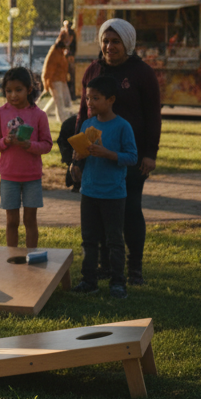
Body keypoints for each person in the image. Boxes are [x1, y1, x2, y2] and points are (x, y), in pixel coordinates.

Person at [74, 18, 161, 286]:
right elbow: (82, 112)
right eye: (105, 41)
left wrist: (150, 153)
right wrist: (76, 157)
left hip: (130, 158)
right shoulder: (92, 70)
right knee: (98, 214)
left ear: (128, 43)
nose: (109, 46)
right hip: (95, 157)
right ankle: (104, 266)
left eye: (115, 41)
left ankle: (134, 268)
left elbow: (153, 115)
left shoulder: (142, 73)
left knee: (130, 211)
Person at [70, 75, 138, 300]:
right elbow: (81, 154)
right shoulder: (88, 124)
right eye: (88, 98)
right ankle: (89, 280)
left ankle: (118, 282)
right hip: (89, 191)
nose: (89, 103)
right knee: (89, 238)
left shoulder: (122, 126)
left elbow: (132, 157)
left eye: (95, 98)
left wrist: (108, 154)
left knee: (114, 240)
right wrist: (77, 161)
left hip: (113, 194)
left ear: (111, 100)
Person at [0, 67, 52, 249]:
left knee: (30, 220)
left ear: (29, 90)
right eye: (8, 91)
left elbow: (47, 145)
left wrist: (28, 145)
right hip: (9, 177)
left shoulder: (39, 115)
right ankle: (12, 257)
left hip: (32, 177)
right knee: (12, 221)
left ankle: (32, 255)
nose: (13, 95)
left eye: (18, 90)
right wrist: (5, 141)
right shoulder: (0, 114)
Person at [39, 26, 74, 123]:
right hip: (54, 80)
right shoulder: (55, 52)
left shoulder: (61, 52)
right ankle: (63, 121)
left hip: (60, 80)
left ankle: (41, 117)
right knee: (60, 103)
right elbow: (48, 68)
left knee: (56, 101)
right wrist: (46, 82)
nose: (69, 42)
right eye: (67, 40)